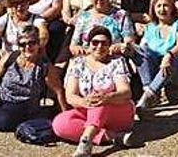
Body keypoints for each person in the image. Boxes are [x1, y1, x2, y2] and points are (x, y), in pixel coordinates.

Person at [53, 26, 135, 157]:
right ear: (89, 44)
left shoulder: (117, 62)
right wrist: (85, 101)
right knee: (60, 123)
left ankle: (86, 142)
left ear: (109, 45)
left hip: (117, 110)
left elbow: (125, 92)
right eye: (95, 42)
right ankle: (114, 137)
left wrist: (107, 97)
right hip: (88, 111)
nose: (99, 46)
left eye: (104, 43)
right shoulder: (78, 63)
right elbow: (70, 96)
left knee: (100, 95)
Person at [134, 0, 178, 110]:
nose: (162, 9)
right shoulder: (150, 27)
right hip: (156, 71)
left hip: (176, 68)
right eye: (158, 6)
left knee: (172, 59)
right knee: (141, 50)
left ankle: (147, 97)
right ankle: (150, 90)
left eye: (165, 5)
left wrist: (169, 55)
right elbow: (142, 52)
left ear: (171, 7)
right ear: (153, 9)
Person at [0, 0, 49, 79]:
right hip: (7, 58)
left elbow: (43, 34)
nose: (19, 7)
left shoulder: (37, 19)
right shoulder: (5, 19)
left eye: (23, 2)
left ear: (28, 4)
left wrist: (35, 45)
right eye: (15, 4)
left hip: (29, 57)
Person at [69, 0, 136, 58]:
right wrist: (77, 49)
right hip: (88, 59)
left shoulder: (121, 15)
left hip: (113, 58)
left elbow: (130, 41)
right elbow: (73, 46)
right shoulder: (83, 17)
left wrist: (121, 46)